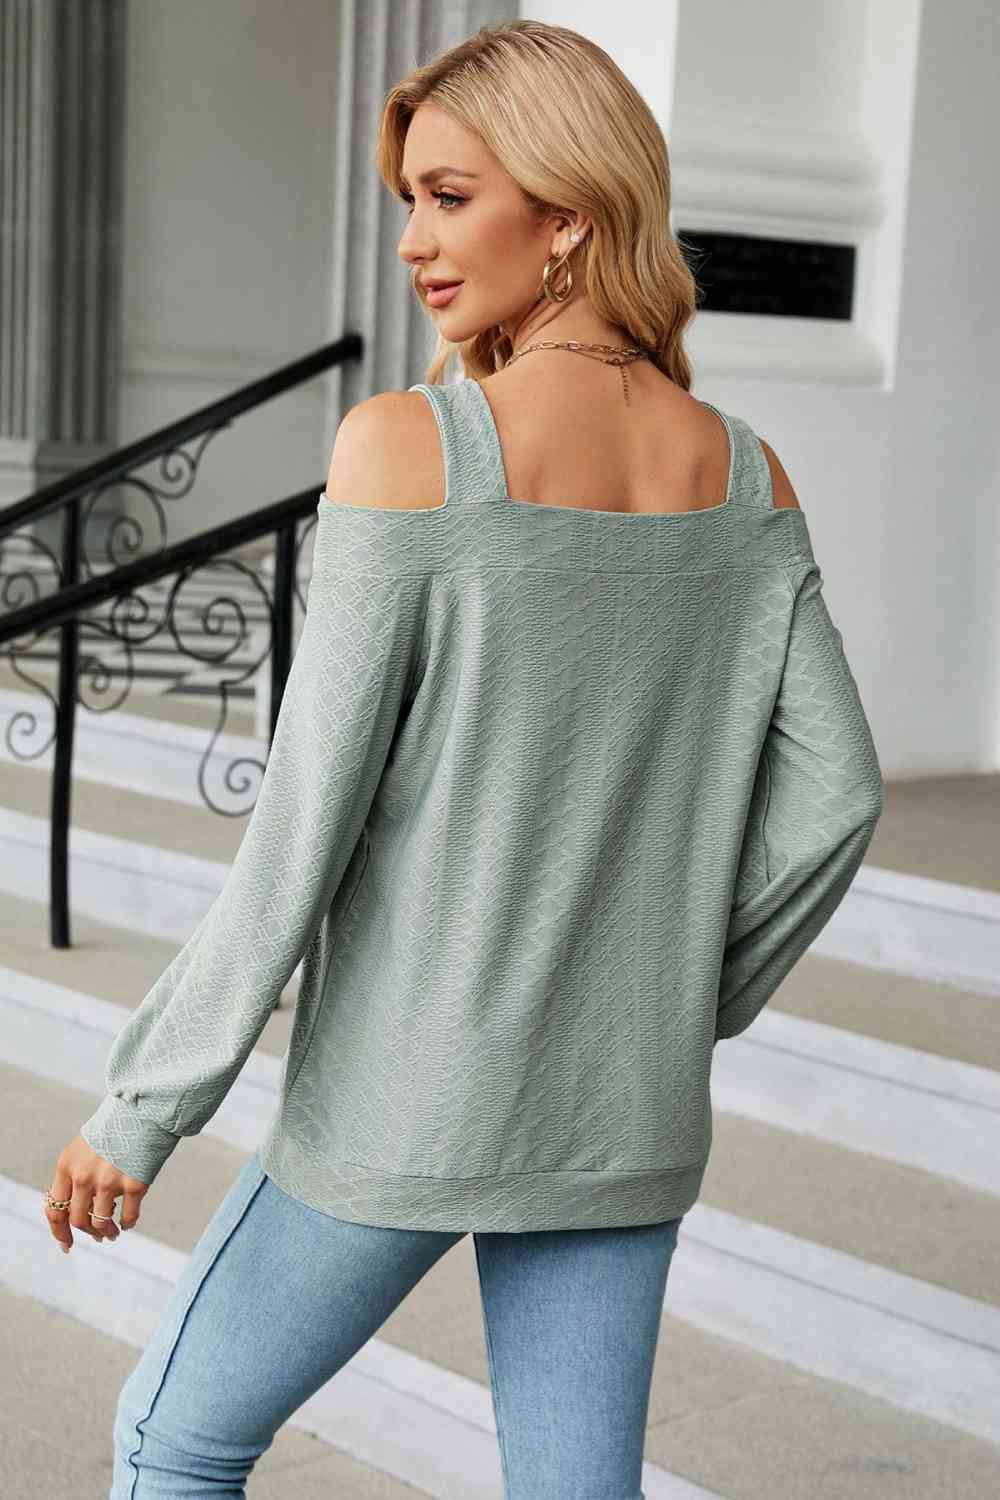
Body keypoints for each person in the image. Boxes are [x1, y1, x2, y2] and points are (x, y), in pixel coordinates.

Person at [42, 19, 884, 1498]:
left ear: (566, 216)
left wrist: (148, 1101)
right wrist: (664, 1002)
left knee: (175, 1445)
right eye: (409, 201)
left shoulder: (409, 447)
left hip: (410, 1096)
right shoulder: (747, 476)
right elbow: (837, 798)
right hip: (623, 1110)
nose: (416, 242)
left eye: (449, 195)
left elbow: (302, 823)